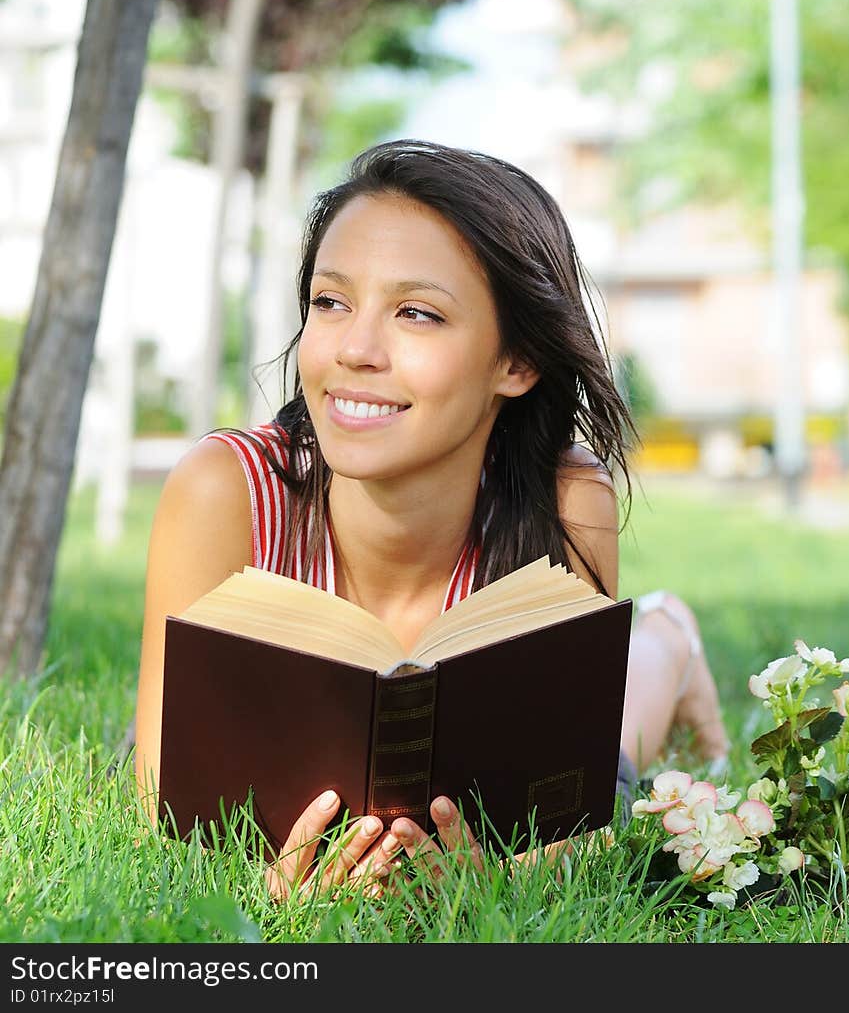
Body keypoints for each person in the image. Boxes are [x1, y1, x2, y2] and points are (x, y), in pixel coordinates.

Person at [133, 138, 729, 900]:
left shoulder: (566, 503)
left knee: (614, 757)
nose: (355, 348)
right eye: (330, 301)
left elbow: (564, 819)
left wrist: (494, 882)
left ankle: (669, 641)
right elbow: (157, 804)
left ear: (514, 363)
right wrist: (266, 888)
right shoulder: (223, 491)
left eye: (416, 313)